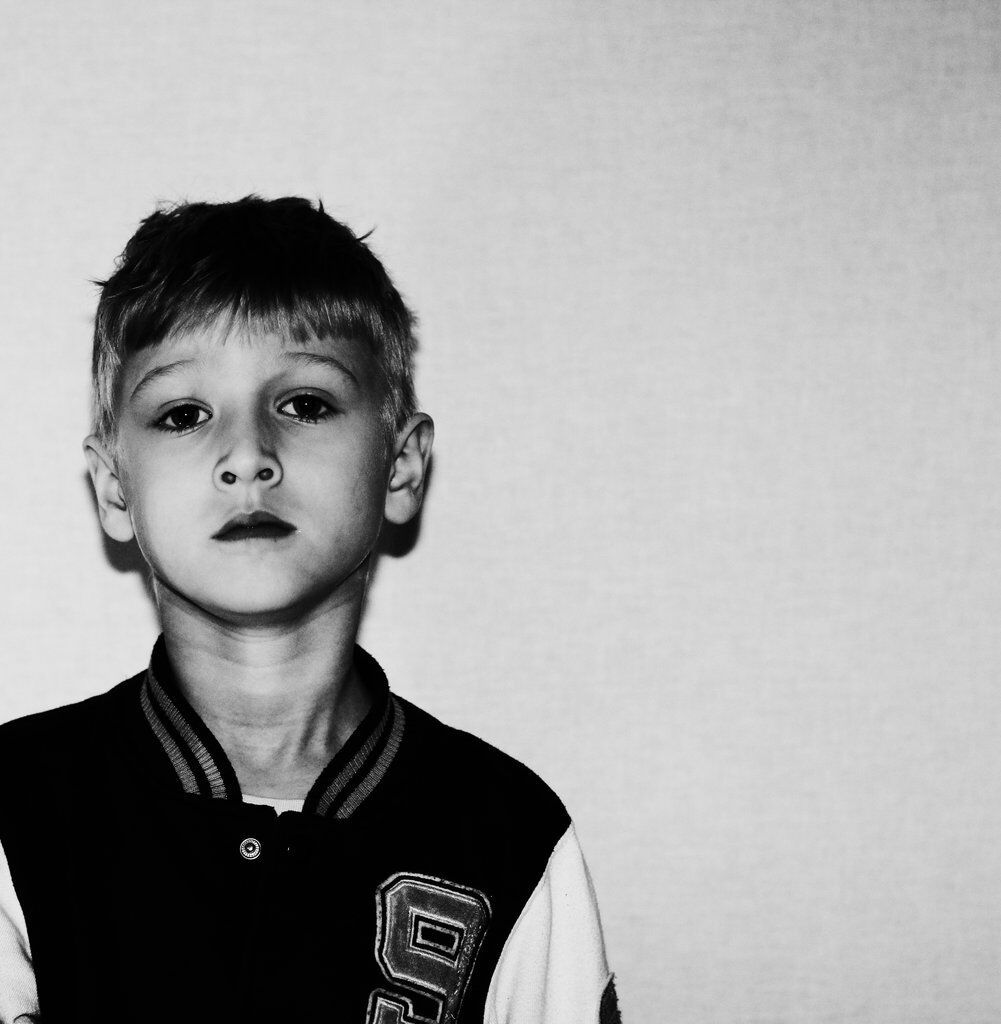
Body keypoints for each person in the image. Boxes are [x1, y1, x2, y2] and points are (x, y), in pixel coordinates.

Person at [0, 197, 620, 1023]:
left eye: (304, 404)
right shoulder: (19, 809)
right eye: (184, 414)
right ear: (115, 488)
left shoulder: (510, 834)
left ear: (401, 466)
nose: (248, 456)